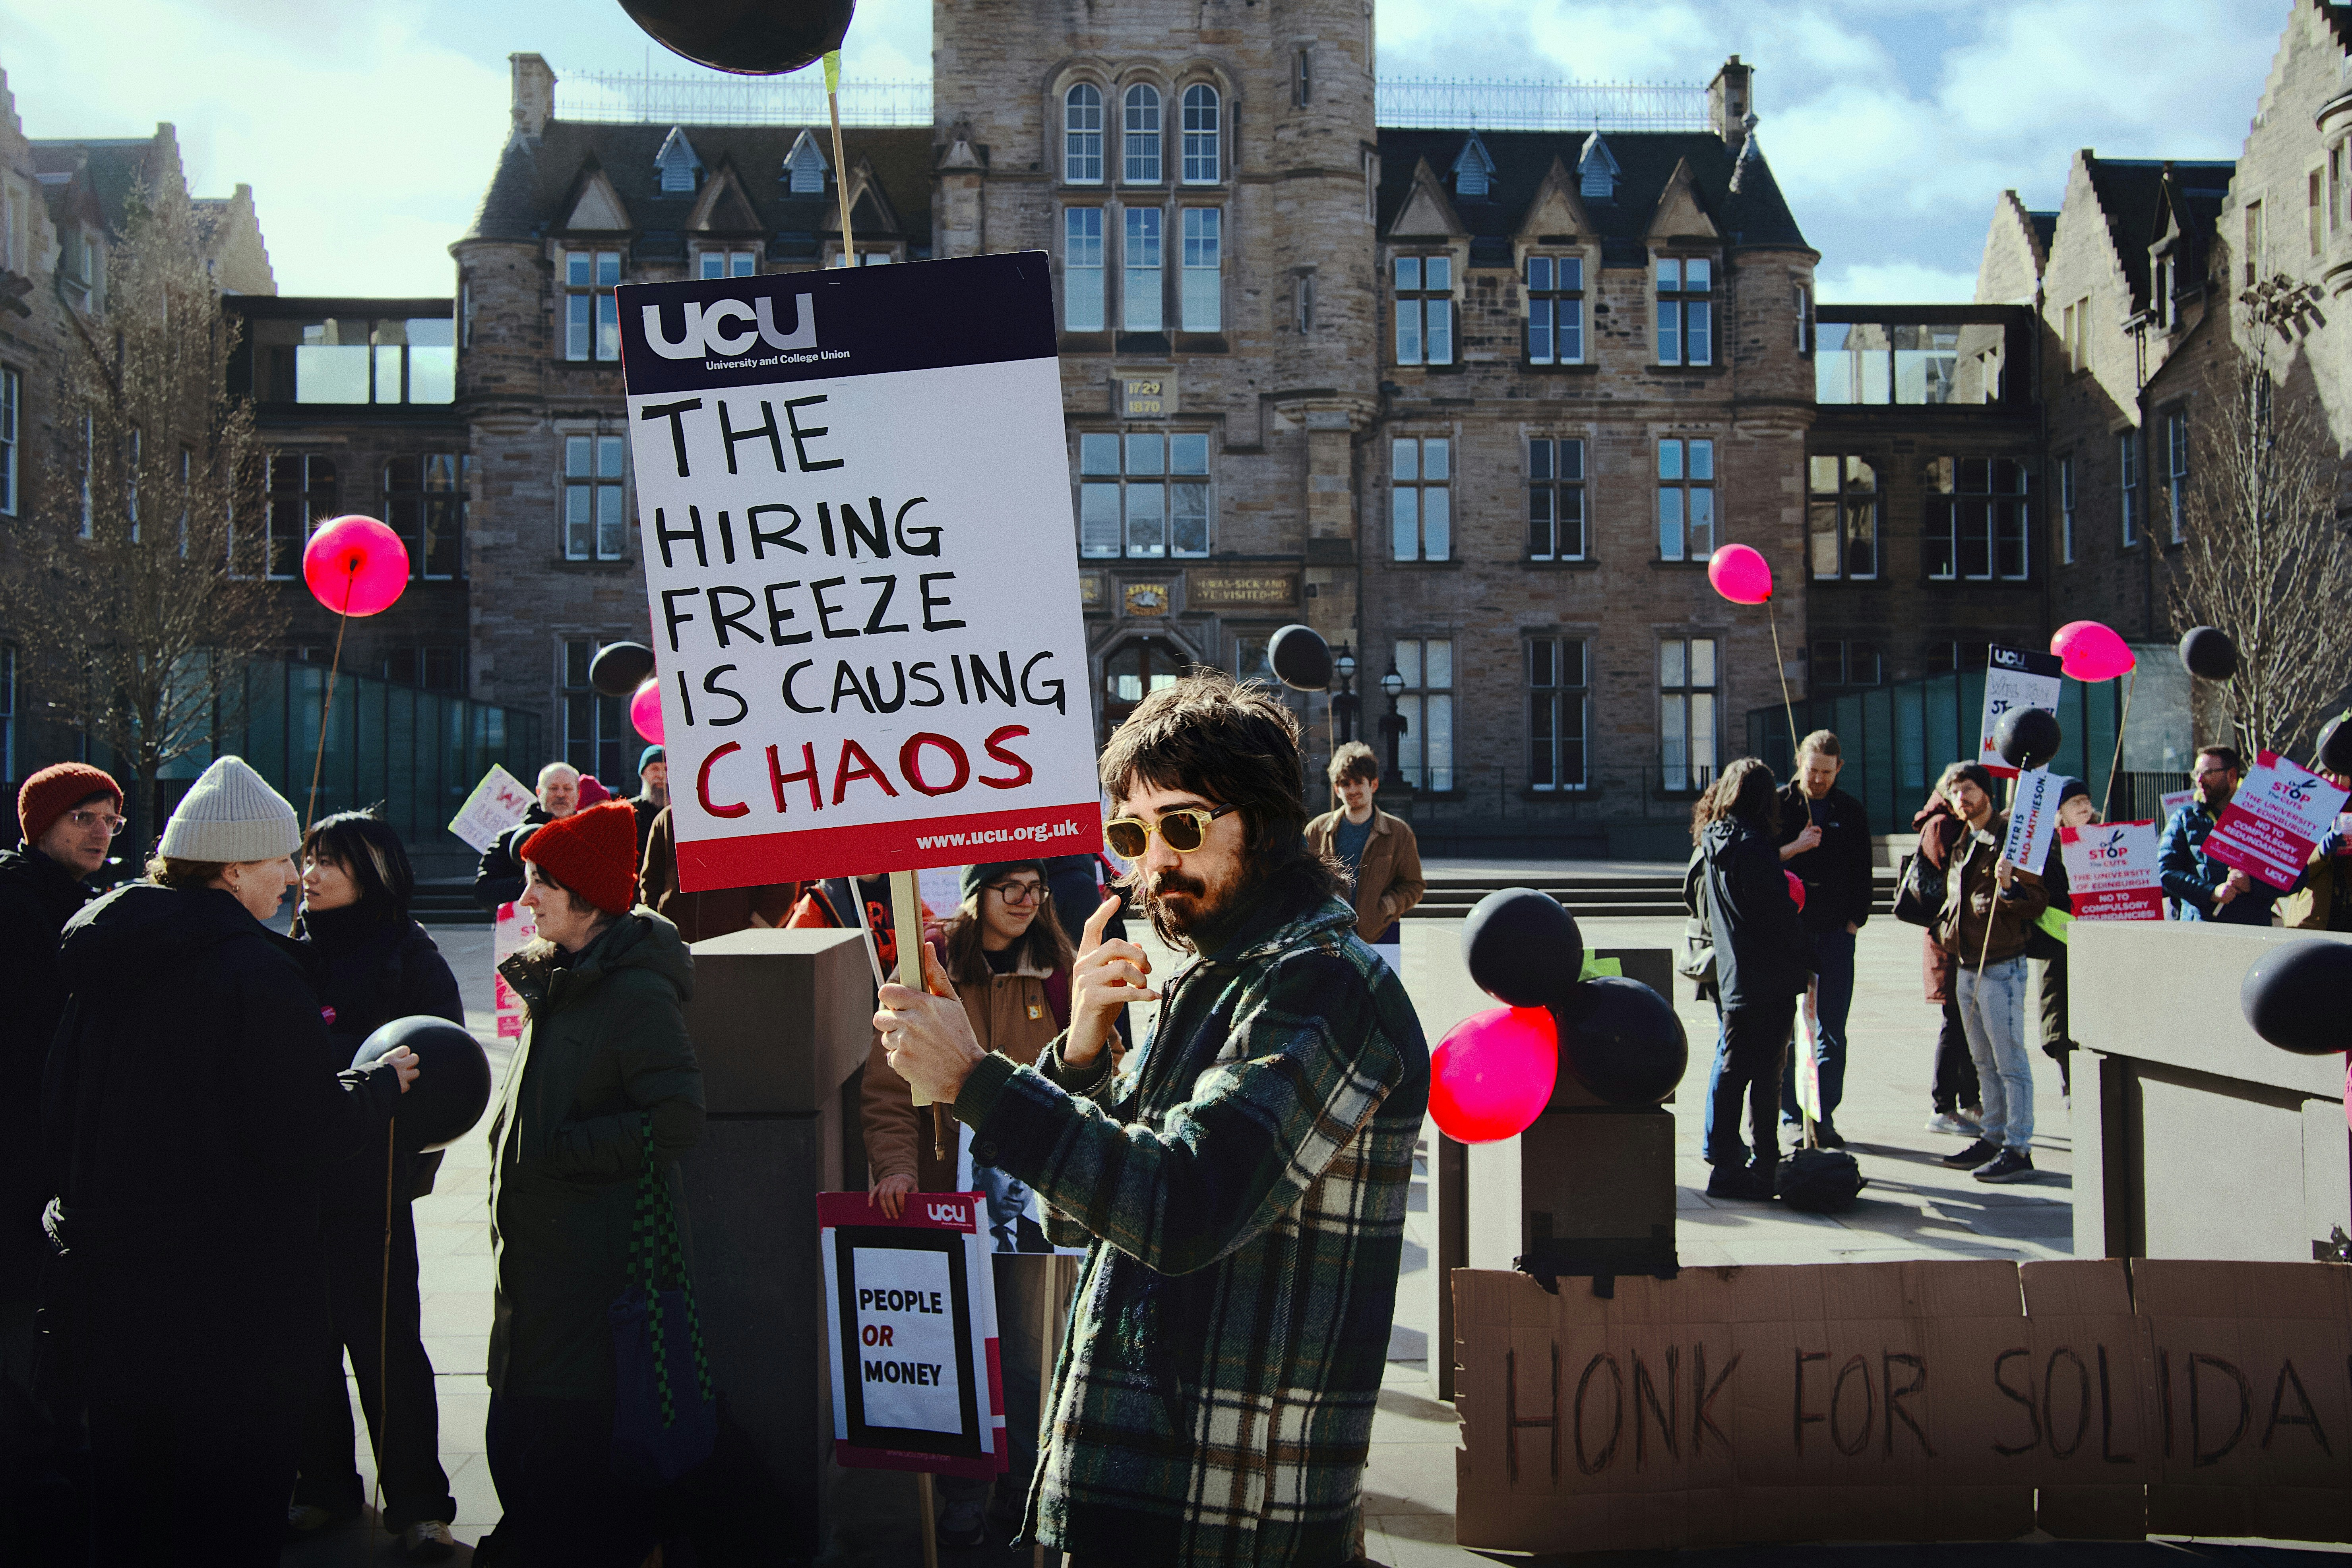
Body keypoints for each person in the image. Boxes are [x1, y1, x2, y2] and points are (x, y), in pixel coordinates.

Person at [874, 671, 1428, 1566]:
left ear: (1269, 822)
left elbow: (1182, 1205)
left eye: (1181, 827)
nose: (1152, 863)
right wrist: (1083, 1053)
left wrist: (977, 1078)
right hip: (1144, 1478)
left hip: (1229, 1502)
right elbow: (1083, 1215)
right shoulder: (1218, 972)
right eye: (1131, 833)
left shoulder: (1324, 984)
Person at [41, 755, 418, 1566]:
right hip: (228, 1304)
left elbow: (61, 1112)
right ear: (234, 865)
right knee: (224, 1515)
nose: (294, 875)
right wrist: (375, 1086)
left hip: (115, 1301)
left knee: (135, 1514)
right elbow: (308, 1130)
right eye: (282, 857)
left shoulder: (103, 956)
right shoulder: (253, 970)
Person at [478, 799, 702, 1568]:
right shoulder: (563, 976)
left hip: (590, 1286)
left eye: (540, 881)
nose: (525, 898)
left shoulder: (634, 993)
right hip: (538, 1280)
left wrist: (561, 1151)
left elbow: (676, 1121)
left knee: (568, 1481)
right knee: (519, 1447)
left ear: (587, 896)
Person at [860, 858, 1076, 1549]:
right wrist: (896, 1170)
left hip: (1034, 1207)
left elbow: (1091, 1078)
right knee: (950, 1356)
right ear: (975, 894)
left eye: (1034, 888)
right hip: (944, 1206)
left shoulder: (1056, 972)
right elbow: (889, 1090)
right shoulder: (931, 974)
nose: (1024, 900)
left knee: (1027, 1355)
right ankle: (959, 1498)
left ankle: (1020, 1498)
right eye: (1008, 886)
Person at [286, 809, 465, 1561]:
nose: (311, 874)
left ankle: (418, 1502)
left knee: (386, 1344)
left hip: (373, 1189)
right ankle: (323, 1486)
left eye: (331, 860)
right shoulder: (288, 954)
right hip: (293, 1184)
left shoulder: (409, 955)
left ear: (375, 871)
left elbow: (448, 1073)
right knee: (303, 1346)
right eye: (308, 859)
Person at [0, 767, 120, 1411]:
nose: (100, 832)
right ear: (41, 825)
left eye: (110, 820)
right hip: (21, 1153)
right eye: (84, 819)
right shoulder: (17, 904)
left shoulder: (81, 900)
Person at [1695, 758, 1811, 1200]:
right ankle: (1764, 1163)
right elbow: (1776, 915)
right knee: (1767, 1073)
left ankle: (1726, 1163)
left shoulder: (1714, 839)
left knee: (1732, 1068)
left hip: (1734, 974)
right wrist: (1807, 954)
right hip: (1769, 975)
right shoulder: (1753, 846)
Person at [1932, 762, 2048, 1183]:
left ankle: (2018, 1146)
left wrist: (2009, 887)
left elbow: (2034, 900)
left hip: (2000, 965)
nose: (1961, 799)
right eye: (1954, 792)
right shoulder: (1965, 840)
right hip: (1966, 966)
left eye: (1967, 790)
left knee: (2009, 1061)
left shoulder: (2010, 838)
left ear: (1985, 792)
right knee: (1982, 1062)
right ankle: (1993, 1134)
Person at [1771, 732, 1873, 1148]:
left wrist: (1853, 923)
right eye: (1811, 770)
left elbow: (1863, 872)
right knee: (1789, 1027)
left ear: (1838, 769)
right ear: (1799, 761)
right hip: (1790, 930)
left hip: (1834, 931)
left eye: (1826, 773)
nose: (1817, 780)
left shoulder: (1849, 811)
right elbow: (1759, 857)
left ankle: (1822, 1114)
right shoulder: (1777, 804)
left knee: (1831, 1026)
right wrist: (1795, 847)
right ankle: (1791, 1114)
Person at [1304, 740, 1427, 951]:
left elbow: (1414, 885)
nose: (1352, 790)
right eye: (1345, 784)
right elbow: (1301, 881)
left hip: (1381, 934)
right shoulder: (1317, 830)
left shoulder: (1398, 833)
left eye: (1359, 782)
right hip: (1328, 937)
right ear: (1337, 789)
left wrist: (1386, 907)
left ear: (1374, 785)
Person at [1914, 771, 1983, 1138]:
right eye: (1957, 791)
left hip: (1959, 940)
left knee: (1966, 1024)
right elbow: (1952, 880)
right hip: (1948, 941)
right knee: (1954, 1024)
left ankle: (1970, 1100)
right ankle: (1942, 1105)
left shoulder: (1955, 824)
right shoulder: (1942, 826)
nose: (1962, 797)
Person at [2159, 745, 2286, 925]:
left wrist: (2253, 884)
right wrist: (2211, 892)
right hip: (2200, 930)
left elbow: (2296, 878)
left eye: (2208, 773)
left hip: (2251, 931)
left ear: (2232, 775)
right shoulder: (2184, 818)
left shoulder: (2262, 819)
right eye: (2196, 774)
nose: (2200, 780)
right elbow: (2166, 873)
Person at [2027, 779, 2097, 1105]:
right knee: (2060, 1015)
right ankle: (2071, 1082)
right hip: (2058, 944)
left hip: (2097, 945)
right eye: (2075, 802)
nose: (2084, 806)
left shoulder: (2106, 840)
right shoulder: (2045, 849)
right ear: (2059, 815)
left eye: (2086, 800)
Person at [635, 803, 798, 941]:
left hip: (737, 947)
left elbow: (784, 887)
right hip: (676, 946)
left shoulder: (760, 816)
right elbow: (650, 881)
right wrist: (657, 929)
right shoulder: (668, 818)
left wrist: (756, 932)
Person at [471, 763, 579, 913]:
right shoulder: (509, 840)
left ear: (578, 794)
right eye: (553, 788)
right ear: (539, 792)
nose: (561, 795)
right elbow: (485, 893)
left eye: (567, 789)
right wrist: (536, 881)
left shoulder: (590, 838)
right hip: (525, 932)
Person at [628, 746, 667, 863]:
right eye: (655, 769)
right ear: (643, 774)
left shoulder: (681, 811)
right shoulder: (630, 811)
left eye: (666, 769)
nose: (661, 775)